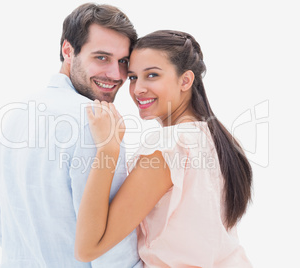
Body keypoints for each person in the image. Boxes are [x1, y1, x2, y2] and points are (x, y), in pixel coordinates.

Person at [75, 30, 253, 267]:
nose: (138, 89)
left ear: (186, 80)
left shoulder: (168, 148)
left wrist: (108, 149)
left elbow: (88, 248)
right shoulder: (218, 138)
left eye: (152, 75)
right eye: (133, 77)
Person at [0, 3, 142, 267]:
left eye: (123, 61)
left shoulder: (19, 113)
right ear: (68, 50)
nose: (116, 74)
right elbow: (113, 253)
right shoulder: (96, 125)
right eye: (102, 57)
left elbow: (1, 225)